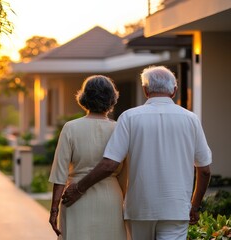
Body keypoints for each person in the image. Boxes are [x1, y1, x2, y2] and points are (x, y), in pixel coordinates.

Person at [62, 66, 212, 240]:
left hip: (140, 209)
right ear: (174, 91)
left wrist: (79, 188)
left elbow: (110, 164)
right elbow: (205, 170)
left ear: (145, 89)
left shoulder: (129, 117)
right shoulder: (191, 119)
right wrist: (194, 206)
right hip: (176, 209)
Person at [48, 75, 127, 239]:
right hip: (111, 198)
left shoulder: (70, 128)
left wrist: (54, 208)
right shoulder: (120, 129)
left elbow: (59, 173)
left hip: (75, 200)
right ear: (112, 99)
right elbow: (125, 174)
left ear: (84, 98)